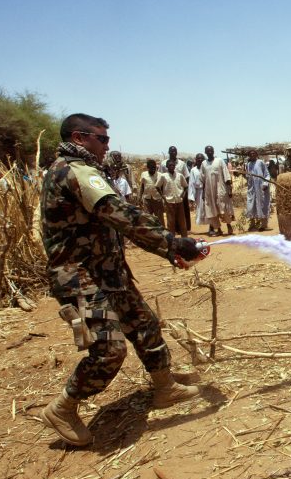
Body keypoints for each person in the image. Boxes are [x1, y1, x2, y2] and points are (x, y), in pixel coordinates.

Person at [38, 113, 203, 447]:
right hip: (79, 276)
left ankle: (164, 387)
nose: (107, 146)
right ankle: (62, 408)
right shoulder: (72, 171)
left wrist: (169, 253)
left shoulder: (86, 170)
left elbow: (118, 224)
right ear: (79, 138)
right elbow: (121, 215)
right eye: (102, 139)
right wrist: (172, 242)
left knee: (144, 324)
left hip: (107, 270)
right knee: (109, 349)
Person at [201, 145, 234, 236]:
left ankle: (229, 225)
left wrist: (229, 189)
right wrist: (204, 193)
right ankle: (218, 229)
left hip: (221, 189)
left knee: (224, 207)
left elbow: (226, 176)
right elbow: (203, 179)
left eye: (211, 151)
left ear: (213, 151)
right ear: (206, 152)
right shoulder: (204, 164)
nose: (209, 152)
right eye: (208, 151)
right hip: (209, 191)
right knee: (212, 209)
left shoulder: (219, 161)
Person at [157, 159, 189, 236]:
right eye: (170, 165)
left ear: (175, 166)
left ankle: (185, 239)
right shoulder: (163, 176)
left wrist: (183, 195)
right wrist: (163, 196)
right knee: (171, 223)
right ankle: (172, 241)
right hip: (169, 202)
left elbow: (185, 186)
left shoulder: (180, 175)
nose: (172, 166)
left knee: (182, 222)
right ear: (167, 166)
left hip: (179, 201)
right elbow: (157, 186)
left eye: (173, 165)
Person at [244, 149, 271, 231]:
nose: (252, 155)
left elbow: (267, 174)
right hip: (252, 188)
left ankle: (263, 225)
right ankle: (252, 223)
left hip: (261, 187)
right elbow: (248, 176)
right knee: (250, 205)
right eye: (250, 154)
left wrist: (265, 184)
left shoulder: (261, 162)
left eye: (253, 153)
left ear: (256, 154)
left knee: (262, 205)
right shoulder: (248, 164)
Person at [167, 146, 192, 232]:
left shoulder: (182, 164)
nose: (173, 153)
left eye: (174, 152)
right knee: (171, 211)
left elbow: (187, 177)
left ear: (176, 152)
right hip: (169, 192)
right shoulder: (164, 164)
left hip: (181, 191)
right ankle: (174, 229)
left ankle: (186, 228)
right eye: (171, 151)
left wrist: (186, 190)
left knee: (183, 210)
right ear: (168, 152)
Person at [138, 159, 165, 227]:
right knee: (147, 219)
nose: (153, 169)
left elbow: (163, 188)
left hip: (157, 200)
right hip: (147, 199)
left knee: (160, 219)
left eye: (154, 168)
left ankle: (162, 234)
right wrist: (139, 197)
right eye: (151, 168)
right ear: (148, 168)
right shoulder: (143, 174)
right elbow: (142, 186)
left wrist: (163, 198)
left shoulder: (160, 175)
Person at [189, 153, 207, 230]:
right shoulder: (193, 170)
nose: (200, 160)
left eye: (201, 159)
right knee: (201, 209)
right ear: (196, 160)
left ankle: (212, 227)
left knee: (209, 209)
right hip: (199, 192)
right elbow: (191, 184)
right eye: (198, 159)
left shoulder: (206, 168)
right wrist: (191, 198)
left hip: (207, 191)